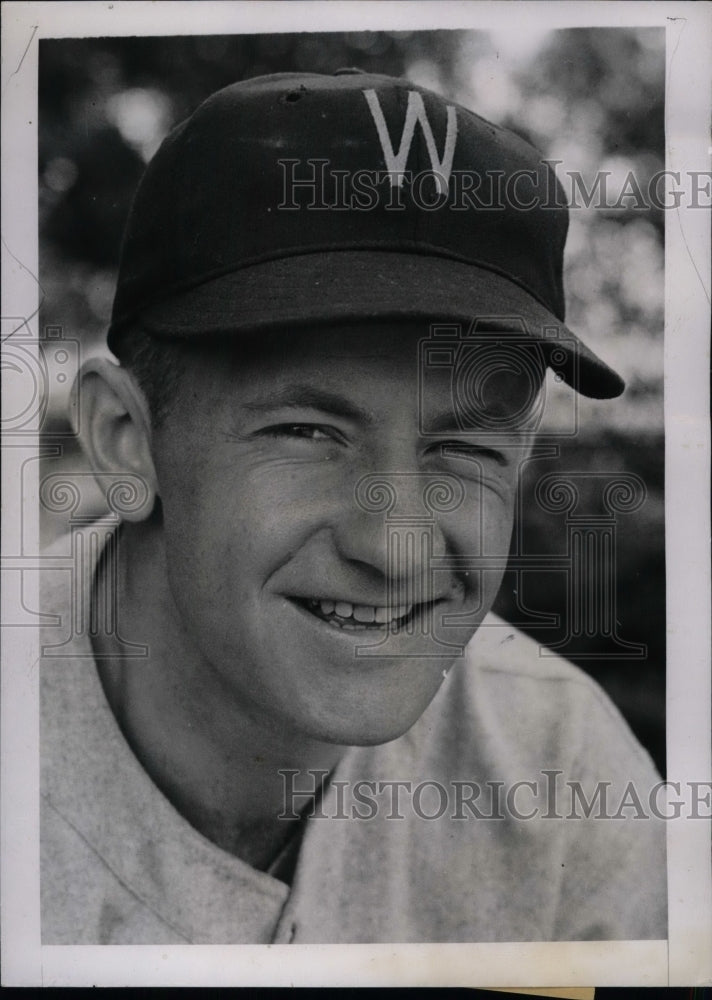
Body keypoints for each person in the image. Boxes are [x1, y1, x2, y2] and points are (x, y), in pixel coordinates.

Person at [41, 69, 666, 944]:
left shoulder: (560, 773)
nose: (398, 548)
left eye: (464, 449)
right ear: (124, 437)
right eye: (307, 432)